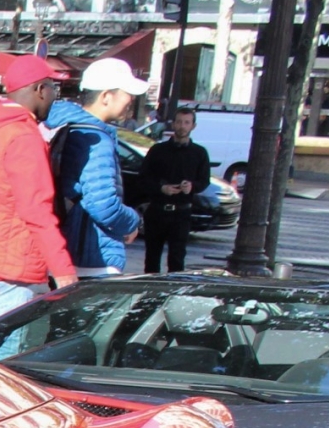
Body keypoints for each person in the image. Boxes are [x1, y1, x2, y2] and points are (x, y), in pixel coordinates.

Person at [0, 54, 76, 331]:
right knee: (4, 357)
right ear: (39, 90)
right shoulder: (22, 137)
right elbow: (36, 209)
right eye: (53, 88)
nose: (55, 96)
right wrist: (63, 268)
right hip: (9, 266)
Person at [49, 56, 145, 277]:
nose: (130, 99)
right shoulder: (94, 138)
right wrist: (132, 221)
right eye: (126, 92)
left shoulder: (66, 125)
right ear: (105, 96)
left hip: (65, 246)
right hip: (92, 253)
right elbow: (103, 205)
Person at [140, 103, 211, 273]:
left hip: (181, 213)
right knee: (152, 259)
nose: (182, 126)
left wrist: (192, 187)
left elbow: (204, 181)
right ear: (173, 124)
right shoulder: (158, 150)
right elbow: (143, 178)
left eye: (186, 122)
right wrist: (161, 188)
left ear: (193, 126)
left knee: (177, 260)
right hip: (157, 211)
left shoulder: (199, 153)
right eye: (179, 122)